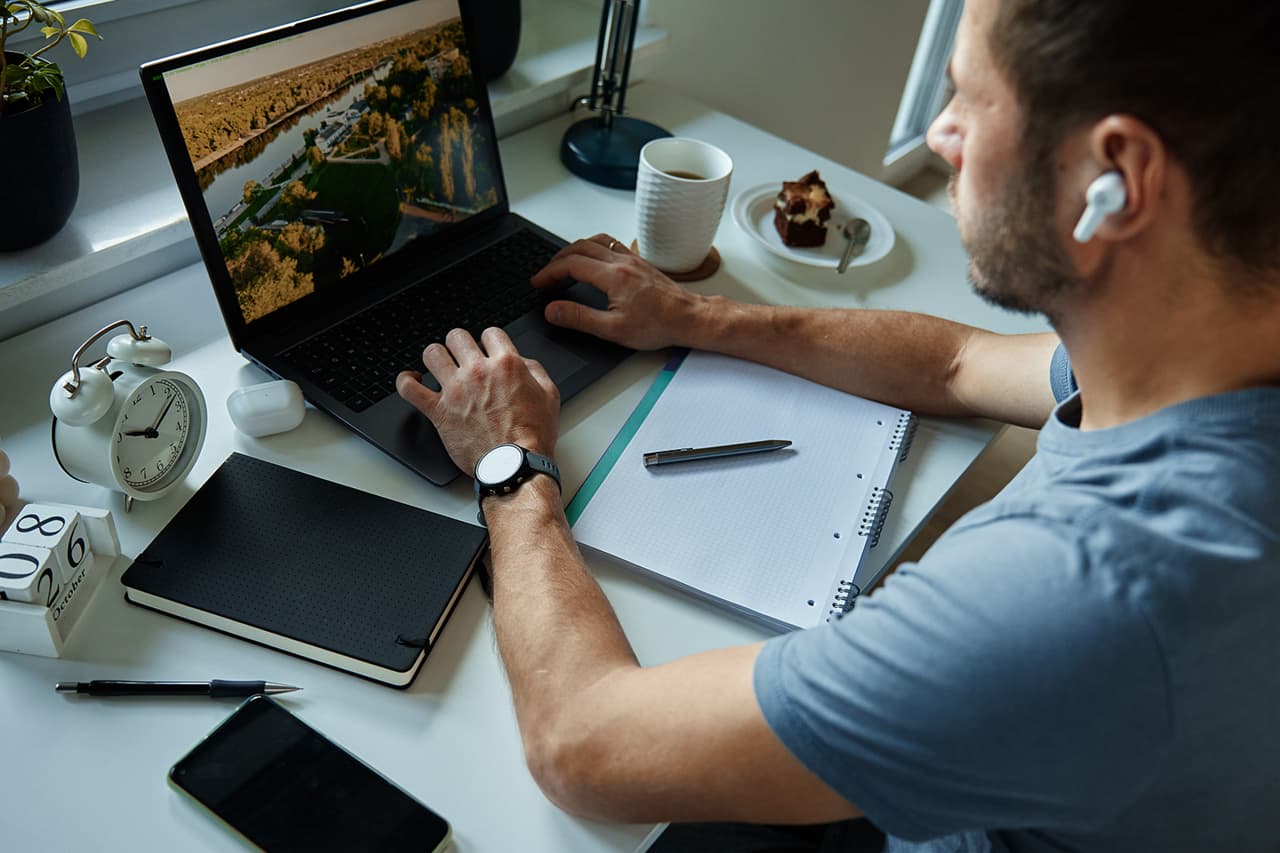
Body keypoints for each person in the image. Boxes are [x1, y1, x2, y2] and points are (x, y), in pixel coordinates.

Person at [395, 0, 1280, 849]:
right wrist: (699, 317)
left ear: (1114, 177)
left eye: (970, 96)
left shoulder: (1089, 593)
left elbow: (583, 743)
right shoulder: (1200, 343)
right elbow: (959, 365)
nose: (941, 135)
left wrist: (510, 465)